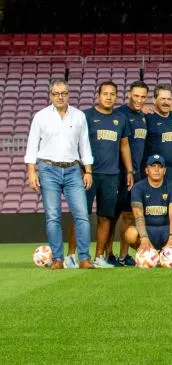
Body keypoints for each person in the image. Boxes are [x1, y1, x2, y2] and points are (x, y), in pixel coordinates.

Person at [25, 79, 95, 269]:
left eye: (64, 93)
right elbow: (32, 145)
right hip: (48, 169)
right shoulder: (40, 117)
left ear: (69, 94)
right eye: (56, 93)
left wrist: (88, 170)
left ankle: (84, 258)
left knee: (81, 215)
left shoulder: (79, 116)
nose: (60, 97)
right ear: (50, 95)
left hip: (73, 170)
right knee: (53, 216)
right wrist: (32, 171)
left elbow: (85, 145)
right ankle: (57, 259)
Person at [81, 81, 133, 268]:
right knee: (81, 215)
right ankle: (73, 255)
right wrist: (81, 168)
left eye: (113, 94)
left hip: (111, 175)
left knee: (106, 217)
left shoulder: (120, 119)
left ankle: (99, 257)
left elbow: (124, 145)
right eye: (105, 93)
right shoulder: (86, 116)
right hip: (88, 174)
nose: (109, 97)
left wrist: (129, 170)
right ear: (98, 95)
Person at [112, 81, 149, 266]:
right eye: (136, 96)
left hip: (136, 174)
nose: (140, 100)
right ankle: (106, 254)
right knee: (112, 215)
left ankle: (123, 255)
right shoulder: (120, 114)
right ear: (129, 95)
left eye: (143, 97)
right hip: (119, 173)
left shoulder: (143, 116)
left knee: (128, 215)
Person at [123, 155, 172, 254]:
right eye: (153, 166)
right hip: (148, 229)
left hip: (166, 229)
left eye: (160, 167)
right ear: (146, 170)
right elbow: (138, 215)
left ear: (164, 170)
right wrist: (144, 237)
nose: (156, 169)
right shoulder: (138, 187)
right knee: (130, 234)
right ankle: (146, 253)